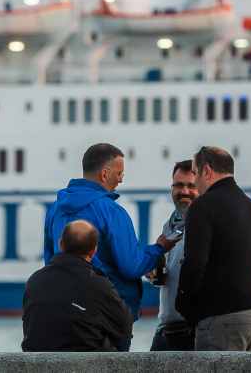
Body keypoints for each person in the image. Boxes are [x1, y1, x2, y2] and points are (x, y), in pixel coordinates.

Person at [43, 143, 165, 351]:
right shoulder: (111, 211)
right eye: (119, 173)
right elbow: (131, 266)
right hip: (107, 317)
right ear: (105, 174)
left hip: (63, 312)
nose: (121, 179)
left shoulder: (55, 210)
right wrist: (159, 248)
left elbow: (50, 260)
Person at [176, 146, 251, 351]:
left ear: (207, 171)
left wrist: (184, 305)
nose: (195, 181)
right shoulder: (250, 205)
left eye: (195, 173)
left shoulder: (203, 206)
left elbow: (195, 263)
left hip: (221, 319)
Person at [22, 220, 133, 351]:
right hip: (86, 361)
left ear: (61, 244)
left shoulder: (34, 280)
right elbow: (124, 327)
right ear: (93, 251)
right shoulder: (98, 285)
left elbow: (28, 327)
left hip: (36, 360)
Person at [149, 160, 199, 351]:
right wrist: (154, 271)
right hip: (166, 328)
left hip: (191, 330)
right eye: (178, 185)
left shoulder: (205, 225)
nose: (184, 191)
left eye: (191, 186)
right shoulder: (171, 223)